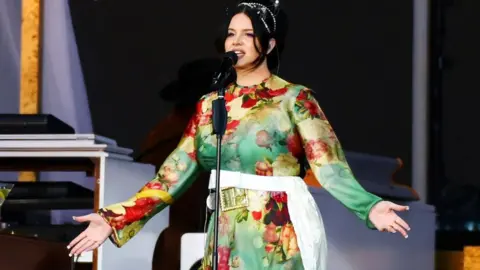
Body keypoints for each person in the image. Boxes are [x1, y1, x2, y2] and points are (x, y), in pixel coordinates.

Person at [67, 1, 411, 269]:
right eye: (232, 33)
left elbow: (329, 165)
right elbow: (172, 175)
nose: (237, 41)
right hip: (225, 230)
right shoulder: (210, 104)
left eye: (248, 34)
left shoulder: (294, 98)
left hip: (278, 229)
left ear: (270, 43)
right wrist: (113, 219)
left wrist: (370, 207)